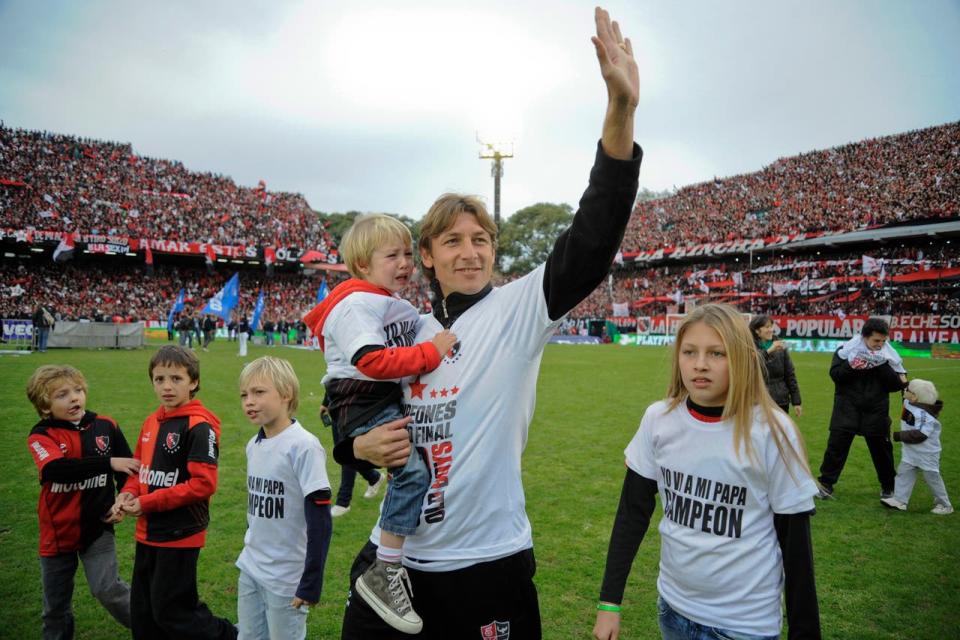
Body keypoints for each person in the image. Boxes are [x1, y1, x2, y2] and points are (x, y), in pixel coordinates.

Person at [335, 8, 641, 638]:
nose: (470, 251)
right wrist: (352, 447)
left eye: (481, 239)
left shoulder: (520, 310)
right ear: (426, 255)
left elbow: (593, 235)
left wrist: (620, 111)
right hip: (395, 565)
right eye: (452, 240)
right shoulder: (404, 327)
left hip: (487, 563)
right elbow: (347, 396)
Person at [593, 304, 820, 640]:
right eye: (689, 352)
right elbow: (631, 515)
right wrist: (609, 603)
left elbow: (796, 546)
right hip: (672, 610)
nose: (700, 364)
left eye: (716, 353)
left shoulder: (772, 431)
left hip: (742, 625)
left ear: (741, 358)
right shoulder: (659, 419)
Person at [303, 213, 457, 634]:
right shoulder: (354, 304)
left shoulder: (386, 298)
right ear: (363, 265)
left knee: (409, 471)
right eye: (393, 255)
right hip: (363, 399)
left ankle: (387, 563)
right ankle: (384, 570)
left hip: (374, 399)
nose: (405, 262)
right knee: (411, 474)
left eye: (408, 253)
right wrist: (431, 353)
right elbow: (370, 360)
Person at [112, 345, 237, 639]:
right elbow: (139, 472)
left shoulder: (199, 425)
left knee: (174, 612)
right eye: (159, 379)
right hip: (148, 530)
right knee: (143, 613)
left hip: (181, 532)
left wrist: (147, 502)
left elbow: (203, 484)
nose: (167, 386)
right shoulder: (151, 421)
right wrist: (127, 495)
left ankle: (231, 635)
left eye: (176, 379)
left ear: (193, 382)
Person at [26, 364, 138, 639]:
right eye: (62, 395)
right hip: (57, 533)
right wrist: (108, 462)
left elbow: (129, 470)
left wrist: (124, 498)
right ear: (44, 407)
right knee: (55, 608)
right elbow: (55, 469)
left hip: (97, 528)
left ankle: (154, 628)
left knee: (108, 589)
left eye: (77, 390)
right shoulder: (42, 435)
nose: (74, 398)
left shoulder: (106, 426)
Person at [236, 356, 333, 639]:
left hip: (286, 579)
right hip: (251, 567)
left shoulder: (303, 447)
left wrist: (311, 581)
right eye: (244, 395)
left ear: (286, 394)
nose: (249, 402)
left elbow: (320, 521)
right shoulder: (253, 445)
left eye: (258, 392)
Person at [816, 317, 907, 500]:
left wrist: (880, 365)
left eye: (883, 341)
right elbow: (836, 375)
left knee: (881, 450)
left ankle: (888, 486)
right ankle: (825, 484)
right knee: (836, 447)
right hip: (846, 407)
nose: (880, 345)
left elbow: (896, 385)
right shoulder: (845, 352)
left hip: (876, 409)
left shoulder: (889, 357)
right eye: (876, 341)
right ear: (864, 337)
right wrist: (853, 364)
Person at [881, 379, 952, 515]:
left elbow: (920, 435)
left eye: (908, 390)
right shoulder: (909, 402)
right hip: (911, 452)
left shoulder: (925, 416)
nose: (905, 391)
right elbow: (904, 390)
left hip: (926, 454)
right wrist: (902, 378)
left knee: (932, 478)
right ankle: (900, 500)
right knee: (903, 473)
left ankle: (944, 504)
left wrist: (898, 436)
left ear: (915, 397)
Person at [320, 405, 386, 517]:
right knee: (342, 453)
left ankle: (343, 502)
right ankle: (373, 477)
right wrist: (326, 402)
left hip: (351, 407)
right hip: (336, 407)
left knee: (346, 452)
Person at [749, 315, 802, 416]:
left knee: (779, 431)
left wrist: (796, 402)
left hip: (780, 401)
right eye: (767, 327)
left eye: (771, 326)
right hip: (757, 401)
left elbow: (790, 374)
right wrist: (769, 351)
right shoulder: (749, 347)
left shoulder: (781, 346)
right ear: (757, 331)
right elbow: (751, 366)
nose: (771, 330)